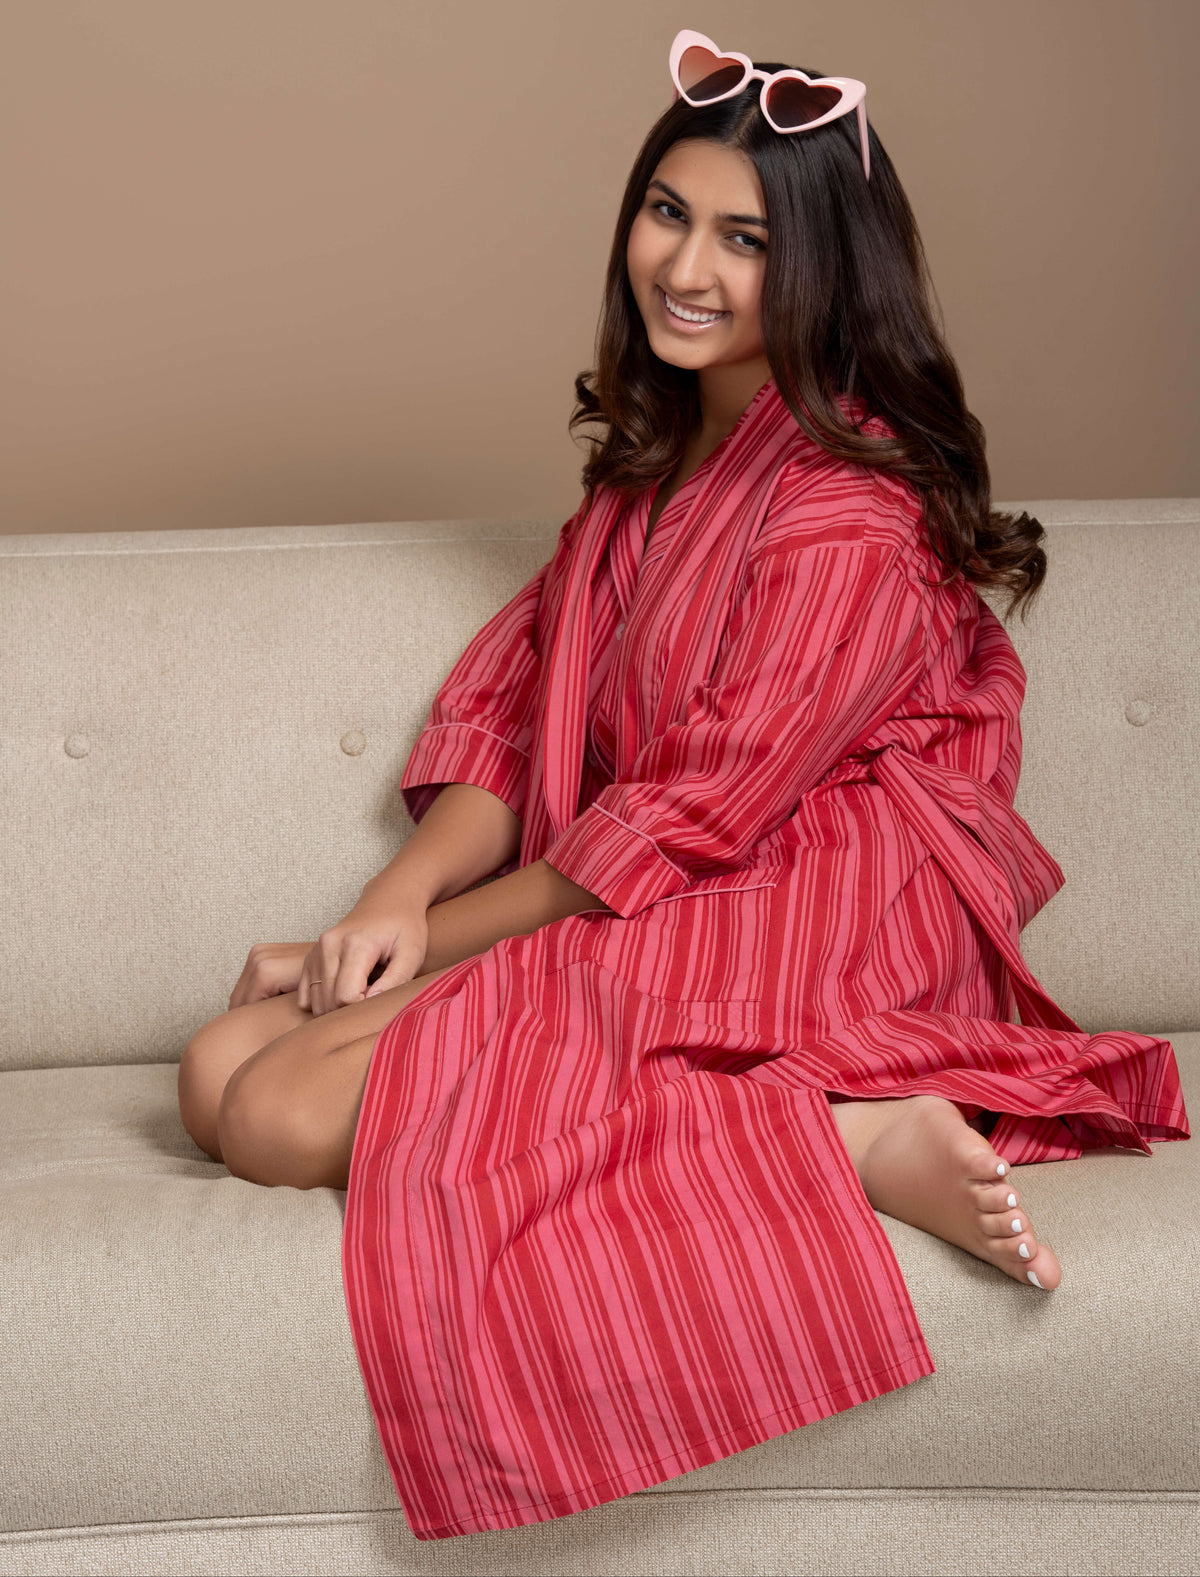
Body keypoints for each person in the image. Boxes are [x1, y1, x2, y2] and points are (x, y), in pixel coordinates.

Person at [178, 30, 1187, 1541]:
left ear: (830, 270)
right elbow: (523, 717)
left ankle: (848, 1136)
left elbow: (693, 811)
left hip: (817, 900)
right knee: (215, 1071)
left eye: (746, 238)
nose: (689, 267)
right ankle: (823, 1126)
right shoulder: (649, 471)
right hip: (654, 881)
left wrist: (423, 952)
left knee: (266, 1114)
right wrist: (387, 905)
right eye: (669, 212)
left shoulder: (853, 509)